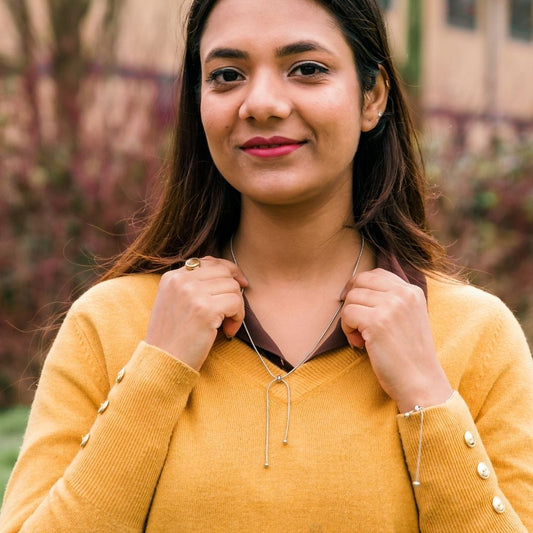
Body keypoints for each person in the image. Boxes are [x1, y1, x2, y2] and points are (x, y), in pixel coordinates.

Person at [1, 0, 532, 530]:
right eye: (227, 75)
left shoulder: (474, 335)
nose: (261, 103)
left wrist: (427, 396)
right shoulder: (112, 324)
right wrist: (156, 374)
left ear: (372, 97)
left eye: (307, 69)